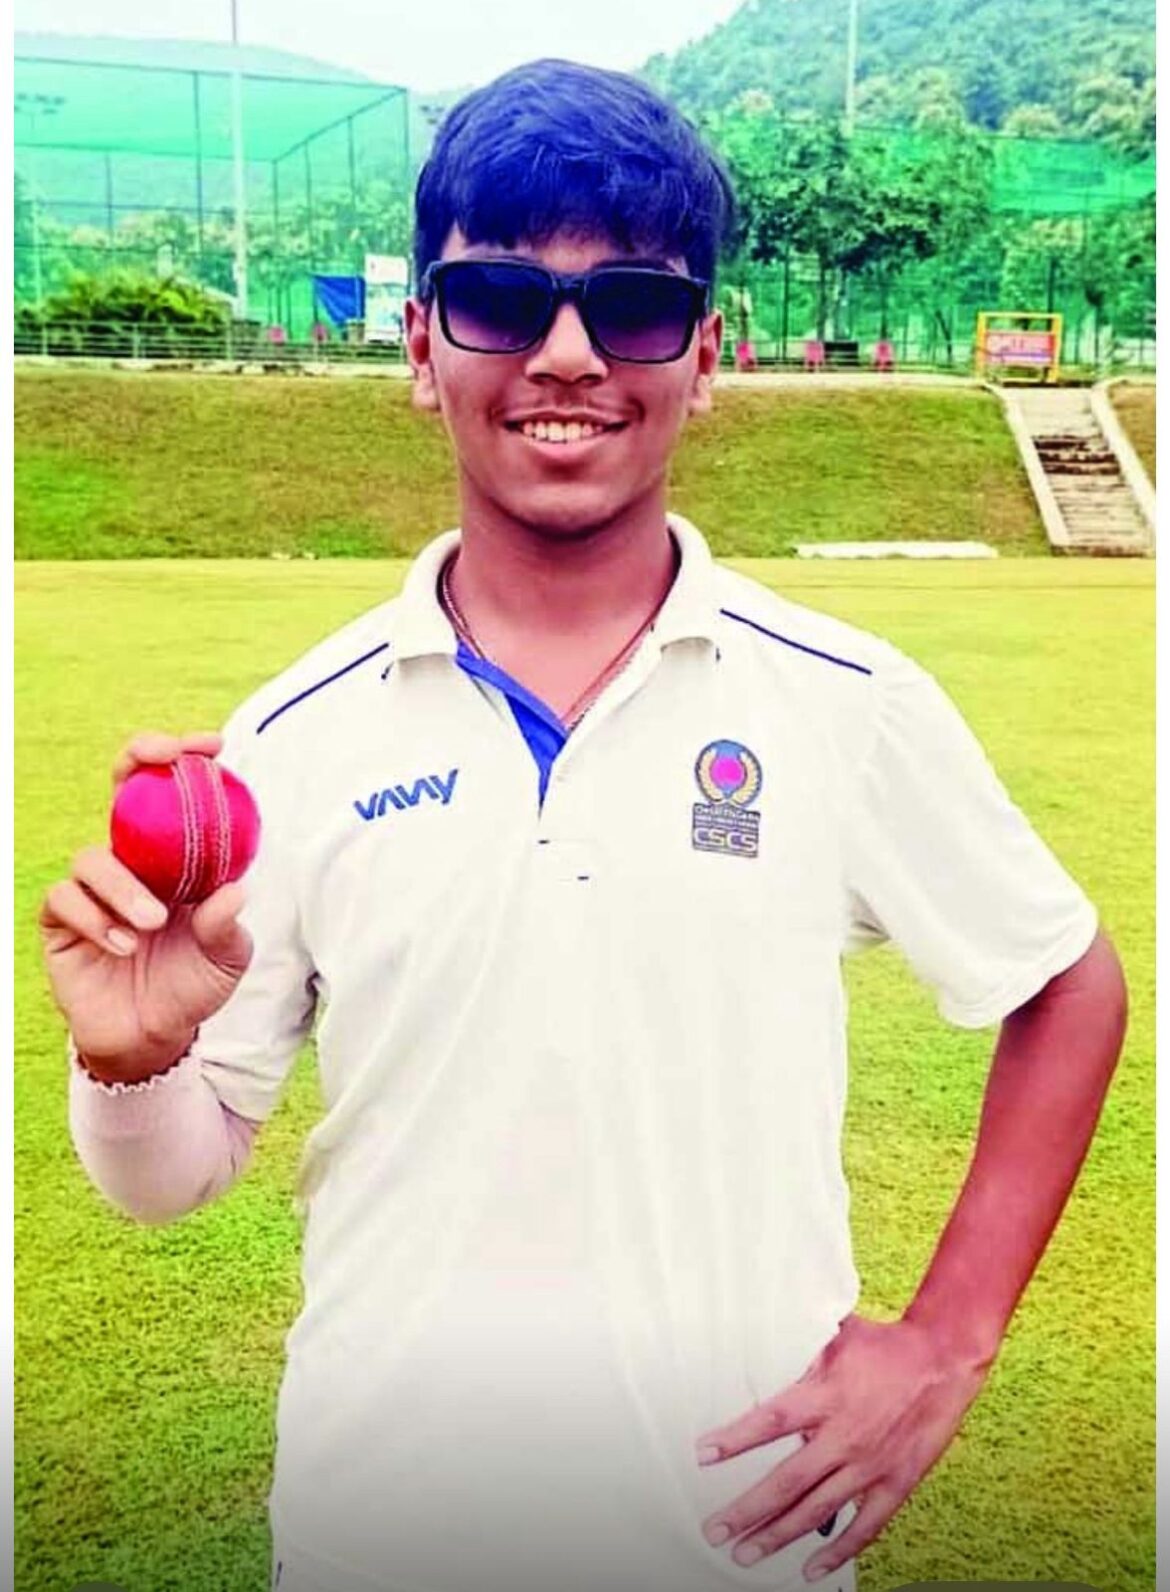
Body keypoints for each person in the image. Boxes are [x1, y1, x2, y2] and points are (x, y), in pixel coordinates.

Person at [39, 58, 1126, 1592]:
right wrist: (130, 1058)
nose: (565, 355)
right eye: (498, 299)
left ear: (705, 355)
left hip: (731, 1542)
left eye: (630, 307)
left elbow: (1063, 981)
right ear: (423, 348)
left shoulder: (844, 700)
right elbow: (167, 1176)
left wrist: (947, 1338)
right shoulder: (297, 733)